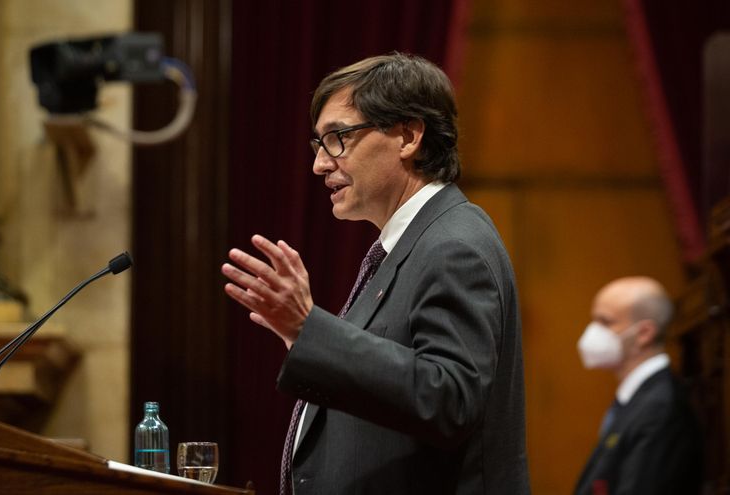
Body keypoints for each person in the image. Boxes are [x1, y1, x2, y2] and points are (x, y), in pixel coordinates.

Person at [222, 53, 530, 494]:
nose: (320, 164)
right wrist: (302, 336)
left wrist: (310, 330)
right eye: (318, 144)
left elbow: (450, 399)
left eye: (338, 138)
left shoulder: (453, 245)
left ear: (408, 136)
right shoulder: (411, 244)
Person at [574, 276, 703, 495]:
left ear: (644, 333)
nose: (593, 332)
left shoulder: (660, 408)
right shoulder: (637, 398)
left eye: (605, 322)